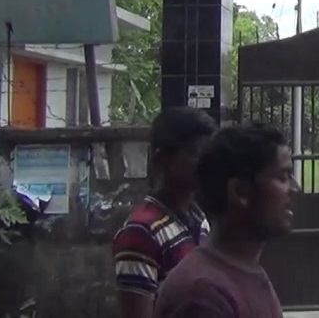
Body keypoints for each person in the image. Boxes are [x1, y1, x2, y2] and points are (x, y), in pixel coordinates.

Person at [153, 124, 300, 318]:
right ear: (239, 192)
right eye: (282, 177)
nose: (295, 188)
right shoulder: (203, 296)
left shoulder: (245, 270)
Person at [112, 107, 218, 318]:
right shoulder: (141, 232)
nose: (206, 165)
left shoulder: (199, 219)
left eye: (209, 155)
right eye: (195, 153)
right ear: (163, 160)